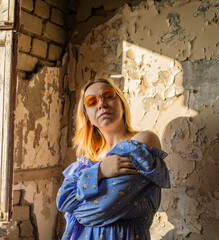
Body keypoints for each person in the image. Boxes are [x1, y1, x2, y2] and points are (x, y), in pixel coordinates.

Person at [56, 78, 170, 240]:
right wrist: (99, 171)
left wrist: (77, 209)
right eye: (91, 101)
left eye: (108, 95)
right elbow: (63, 202)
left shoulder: (143, 142)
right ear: (87, 116)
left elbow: (103, 208)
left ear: (122, 104)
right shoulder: (85, 161)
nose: (101, 103)